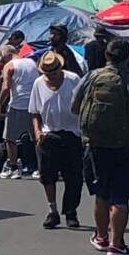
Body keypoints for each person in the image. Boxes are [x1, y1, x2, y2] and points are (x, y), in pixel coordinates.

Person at [72, 40, 129, 255]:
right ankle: (116, 243)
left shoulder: (92, 77)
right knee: (120, 196)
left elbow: (75, 106)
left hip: (96, 144)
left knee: (101, 193)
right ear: (128, 57)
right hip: (126, 145)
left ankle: (101, 236)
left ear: (106, 56)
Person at [29, 51, 83, 229]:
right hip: (48, 134)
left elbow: (83, 105)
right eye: (47, 73)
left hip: (72, 133)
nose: (50, 76)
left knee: (73, 177)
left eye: (53, 73)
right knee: (47, 176)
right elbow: (35, 112)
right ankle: (52, 211)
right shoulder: (38, 84)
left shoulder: (73, 79)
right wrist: (37, 132)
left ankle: (70, 212)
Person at [0, 44, 39, 180]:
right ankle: (39, 168)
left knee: (10, 138)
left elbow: (6, 87)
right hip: (33, 104)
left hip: (17, 104)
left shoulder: (10, 66)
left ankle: (13, 168)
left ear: (5, 55)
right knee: (36, 137)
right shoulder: (33, 63)